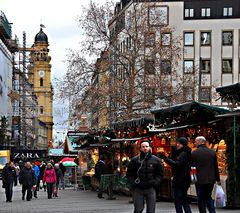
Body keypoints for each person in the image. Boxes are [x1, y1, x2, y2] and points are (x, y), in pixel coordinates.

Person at [126, 140, 163, 213]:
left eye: (146, 146)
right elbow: (129, 174)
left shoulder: (156, 160)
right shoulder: (135, 160)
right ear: (140, 148)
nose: (145, 148)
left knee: (151, 210)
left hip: (151, 188)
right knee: (138, 209)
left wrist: (156, 183)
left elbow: (160, 173)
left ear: (149, 147)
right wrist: (134, 183)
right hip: (139, 188)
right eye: (143, 147)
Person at [159, 137, 192, 213]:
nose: (177, 145)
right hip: (185, 179)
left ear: (182, 144)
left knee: (178, 200)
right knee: (183, 200)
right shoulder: (186, 152)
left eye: (179, 143)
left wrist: (165, 158)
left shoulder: (183, 154)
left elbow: (177, 164)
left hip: (180, 180)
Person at [192, 136, 221, 213]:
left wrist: (192, 179)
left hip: (199, 179)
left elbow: (192, 167)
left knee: (201, 198)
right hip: (211, 179)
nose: (195, 143)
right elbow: (216, 167)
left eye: (195, 142)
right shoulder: (212, 152)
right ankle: (212, 211)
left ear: (199, 142)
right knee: (208, 197)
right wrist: (217, 179)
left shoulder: (194, 153)